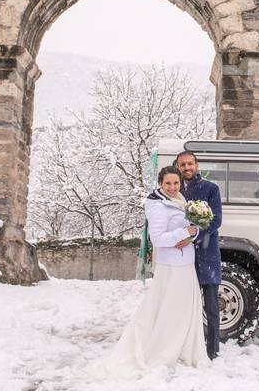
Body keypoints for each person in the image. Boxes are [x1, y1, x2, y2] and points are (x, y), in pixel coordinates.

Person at [85, 166, 208, 377]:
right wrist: (183, 233)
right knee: (169, 311)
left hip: (187, 264)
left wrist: (193, 233)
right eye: (167, 183)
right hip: (172, 267)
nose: (172, 187)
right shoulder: (156, 205)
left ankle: (183, 349)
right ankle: (163, 350)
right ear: (160, 183)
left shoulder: (182, 201)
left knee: (185, 311)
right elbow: (158, 239)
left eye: (176, 183)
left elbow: (193, 229)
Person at [176, 150, 223, 360]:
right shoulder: (175, 192)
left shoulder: (211, 188)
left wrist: (194, 236)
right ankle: (186, 347)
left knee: (211, 306)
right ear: (178, 167)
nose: (187, 168)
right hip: (183, 257)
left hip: (207, 254)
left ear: (196, 165)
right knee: (185, 304)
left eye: (190, 164)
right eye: (183, 165)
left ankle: (212, 351)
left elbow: (216, 221)